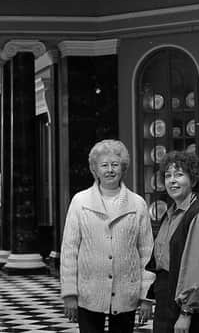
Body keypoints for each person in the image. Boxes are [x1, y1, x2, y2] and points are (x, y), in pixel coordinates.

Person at [60, 139, 155, 333]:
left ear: (123, 168)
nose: (110, 170)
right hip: (88, 294)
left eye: (115, 165)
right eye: (104, 165)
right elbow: (69, 250)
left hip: (126, 294)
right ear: (95, 169)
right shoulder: (80, 201)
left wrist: (146, 297)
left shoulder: (138, 204)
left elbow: (147, 253)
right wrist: (69, 294)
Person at [140, 150, 199, 333]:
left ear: (194, 180)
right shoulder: (170, 214)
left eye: (179, 175)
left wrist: (186, 313)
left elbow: (197, 269)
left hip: (187, 311)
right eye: (168, 176)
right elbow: (160, 263)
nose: (172, 180)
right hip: (166, 303)